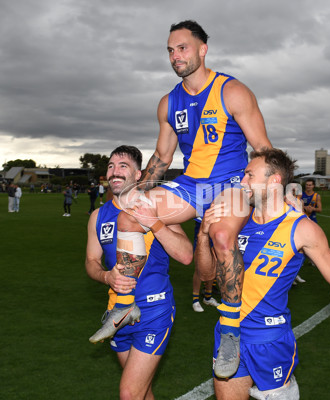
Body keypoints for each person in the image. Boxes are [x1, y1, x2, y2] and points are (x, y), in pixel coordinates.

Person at [103, 19, 272, 378]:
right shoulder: (168, 103)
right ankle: (124, 304)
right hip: (193, 186)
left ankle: (230, 328)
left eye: (182, 48)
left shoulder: (233, 91)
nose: (175, 56)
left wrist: (271, 193)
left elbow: (263, 149)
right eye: (170, 50)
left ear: (202, 49)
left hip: (230, 184)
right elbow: (162, 159)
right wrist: (133, 193)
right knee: (130, 215)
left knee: (222, 237)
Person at [196, 148, 330, 399]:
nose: (242, 181)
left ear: (274, 180)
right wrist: (203, 235)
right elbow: (206, 275)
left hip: (271, 340)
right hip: (227, 334)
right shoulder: (236, 220)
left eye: (249, 175)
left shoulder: (302, 229)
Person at [85, 145, 193, 399]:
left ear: (138, 174)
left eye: (123, 166)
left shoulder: (157, 206)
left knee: (129, 393)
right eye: (111, 166)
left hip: (154, 310)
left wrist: (154, 223)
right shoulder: (98, 216)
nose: (115, 171)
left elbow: (186, 255)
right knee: (141, 393)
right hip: (117, 314)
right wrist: (105, 276)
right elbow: (91, 260)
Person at [192, 220, 220, 312]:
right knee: (200, 267)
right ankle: (195, 300)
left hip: (216, 231)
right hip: (203, 231)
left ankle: (208, 297)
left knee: (213, 264)